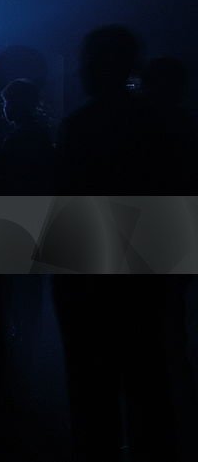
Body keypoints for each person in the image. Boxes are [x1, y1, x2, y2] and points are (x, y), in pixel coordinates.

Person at [53, 26, 176, 461]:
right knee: (150, 383)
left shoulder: (80, 127)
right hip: (149, 277)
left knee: (92, 390)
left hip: (90, 282)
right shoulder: (161, 126)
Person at [0, 78, 55, 194]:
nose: (3, 107)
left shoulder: (18, 136)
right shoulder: (40, 131)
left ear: (16, 104)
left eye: (6, 102)